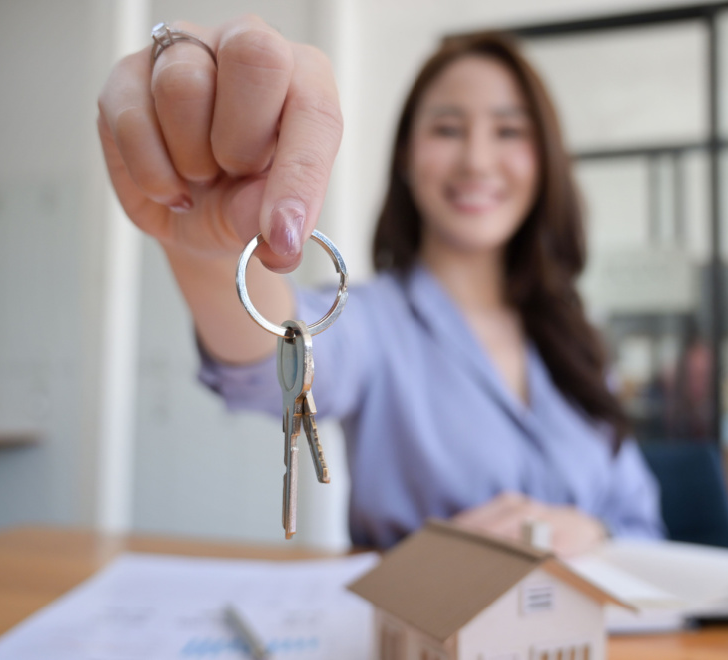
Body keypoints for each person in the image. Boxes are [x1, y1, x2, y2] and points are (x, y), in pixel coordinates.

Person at [97, 15, 664, 556]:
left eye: (509, 130)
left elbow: (645, 527)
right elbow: (275, 360)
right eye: (447, 128)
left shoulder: (575, 342)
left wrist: (592, 532)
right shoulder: (373, 324)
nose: (477, 159)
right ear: (405, 159)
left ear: (544, 162)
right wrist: (208, 244)